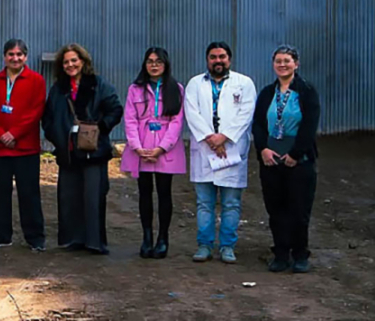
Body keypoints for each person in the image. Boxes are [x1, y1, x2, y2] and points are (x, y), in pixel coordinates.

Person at [42, 43, 123, 255]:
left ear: (83, 61)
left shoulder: (99, 84)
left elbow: (115, 109)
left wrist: (101, 127)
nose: (70, 65)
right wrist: (56, 137)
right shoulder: (58, 89)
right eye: (66, 62)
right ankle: (72, 239)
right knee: (69, 196)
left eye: (74, 60)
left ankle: (94, 241)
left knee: (93, 196)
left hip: (93, 150)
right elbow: (48, 117)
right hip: (68, 150)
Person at [184, 41, 257, 264]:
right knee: (204, 203)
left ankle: (227, 246)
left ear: (229, 59)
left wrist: (224, 137)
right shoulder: (195, 83)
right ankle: (204, 245)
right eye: (213, 57)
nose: (218, 61)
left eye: (222, 56)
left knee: (231, 203)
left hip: (232, 149)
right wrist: (211, 138)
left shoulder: (244, 83)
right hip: (205, 149)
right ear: (207, 60)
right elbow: (191, 112)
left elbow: (246, 113)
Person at [252, 45, 320, 273]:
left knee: (299, 209)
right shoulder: (266, 93)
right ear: (273, 65)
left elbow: (309, 125)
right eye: (278, 61)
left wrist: (296, 154)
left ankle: (300, 254)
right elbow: (259, 124)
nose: (282, 65)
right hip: (272, 159)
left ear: (296, 64)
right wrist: (262, 149)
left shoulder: (306, 91)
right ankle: (280, 254)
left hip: (298, 160)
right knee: (276, 208)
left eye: (287, 61)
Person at [0, 38, 46, 251]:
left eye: (19, 54)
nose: (15, 58)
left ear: (25, 57)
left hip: (26, 147)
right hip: (0, 148)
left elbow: (36, 111)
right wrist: (1, 135)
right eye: (11, 54)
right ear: (4, 57)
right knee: (0, 193)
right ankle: (1, 236)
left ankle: (35, 238)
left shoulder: (36, 80)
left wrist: (15, 133)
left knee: (29, 193)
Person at [120, 47, 185, 259]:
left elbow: (177, 122)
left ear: (165, 64)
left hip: (165, 148)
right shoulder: (135, 89)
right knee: (145, 192)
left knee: (164, 193)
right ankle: (146, 237)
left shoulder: (176, 89)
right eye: (150, 61)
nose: (154, 65)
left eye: (158, 61)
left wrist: (161, 148)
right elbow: (129, 119)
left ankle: (163, 238)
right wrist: (137, 147)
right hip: (141, 146)